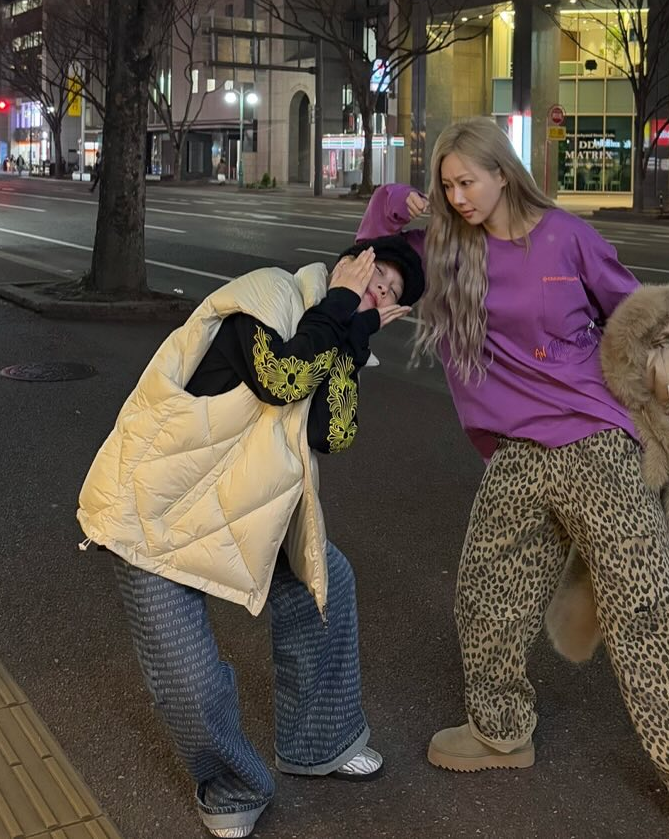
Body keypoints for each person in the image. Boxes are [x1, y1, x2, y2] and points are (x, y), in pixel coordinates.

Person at [358, 117, 669, 839]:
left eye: (468, 180)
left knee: (646, 608)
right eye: (448, 184)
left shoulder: (567, 237)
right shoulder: (449, 246)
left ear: (504, 173)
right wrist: (397, 199)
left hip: (596, 441)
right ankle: (502, 731)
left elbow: (642, 315)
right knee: (487, 593)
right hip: (517, 452)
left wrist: (666, 371)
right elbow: (370, 253)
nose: (459, 196)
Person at [77, 235, 424, 839]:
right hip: (155, 506)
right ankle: (232, 784)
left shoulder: (336, 331)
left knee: (326, 581)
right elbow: (282, 378)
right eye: (375, 274)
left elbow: (334, 434)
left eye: (389, 294)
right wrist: (342, 309)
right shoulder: (269, 291)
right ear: (347, 262)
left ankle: (323, 741)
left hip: (243, 507)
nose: (377, 291)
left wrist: (353, 335)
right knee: (186, 675)